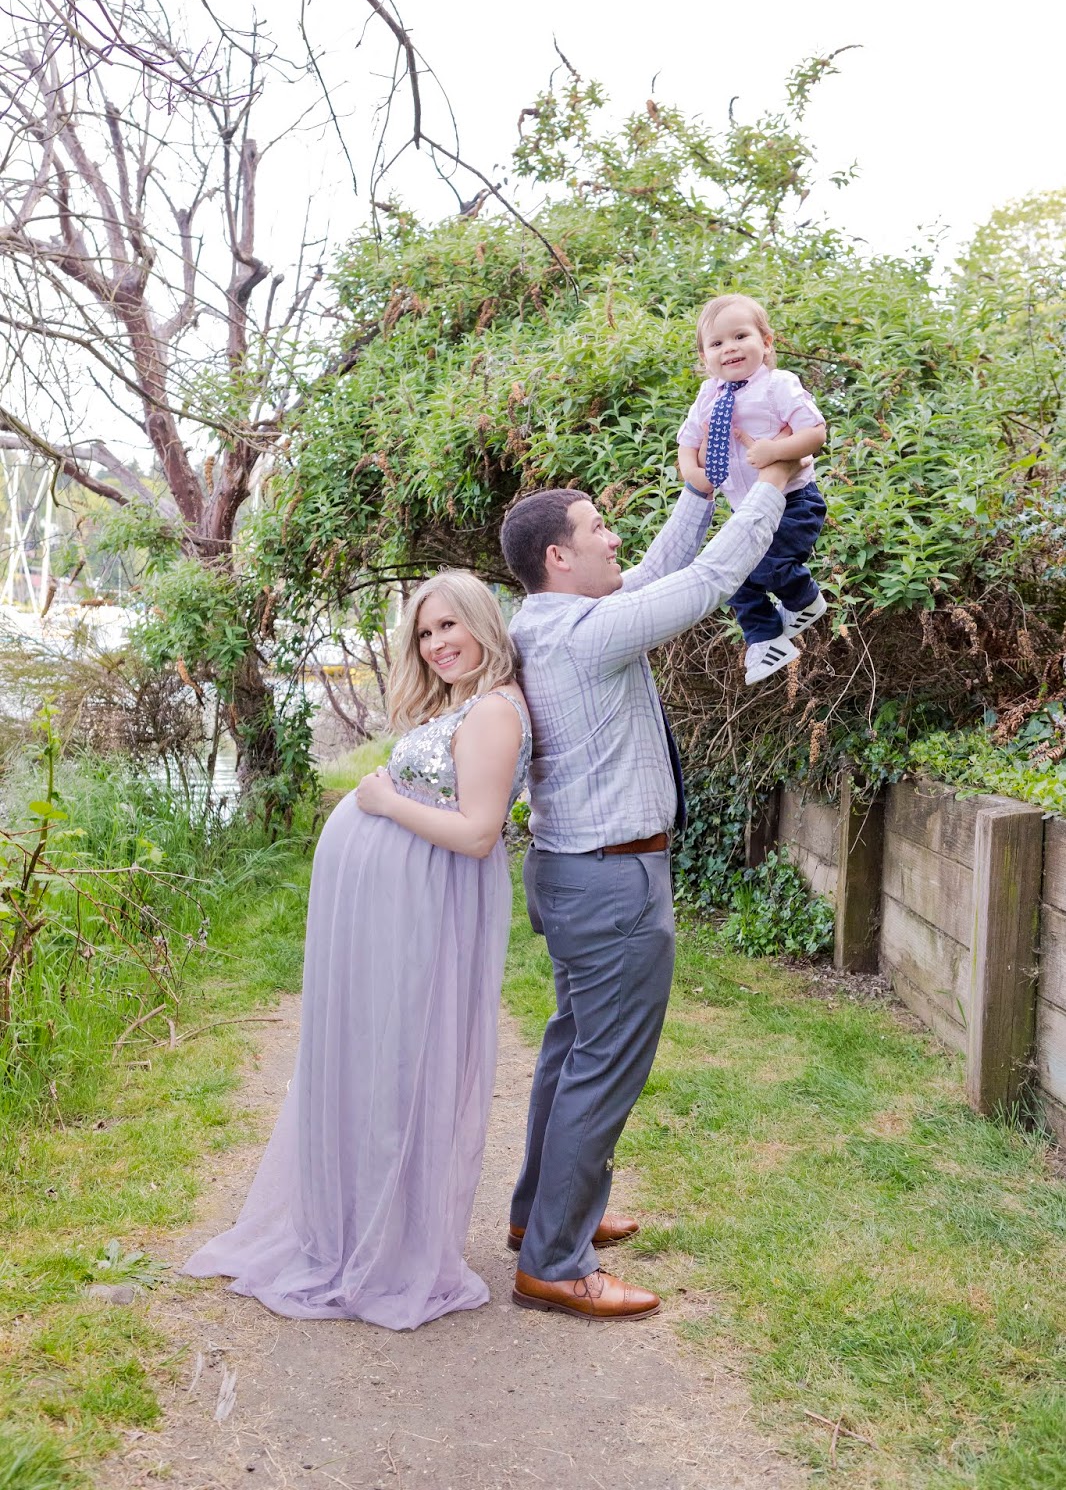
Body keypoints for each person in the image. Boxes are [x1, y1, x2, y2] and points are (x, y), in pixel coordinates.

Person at [183, 572, 531, 1330]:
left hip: (428, 908)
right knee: (372, 1058)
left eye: (449, 626)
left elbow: (479, 834)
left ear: (482, 621)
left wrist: (384, 802)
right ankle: (356, 1222)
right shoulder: (462, 705)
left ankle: (390, 1244)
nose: (436, 644)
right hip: (395, 907)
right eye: (425, 633)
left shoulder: (496, 711)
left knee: (405, 1059)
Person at [499, 454, 795, 1320]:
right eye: (597, 527)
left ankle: (541, 1216)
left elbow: (659, 573)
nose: (613, 536)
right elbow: (706, 583)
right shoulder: (587, 636)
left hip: (574, 872)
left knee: (571, 1053)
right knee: (602, 1068)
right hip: (613, 881)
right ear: (559, 556)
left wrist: (698, 492)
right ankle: (555, 1263)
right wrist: (773, 482)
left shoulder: (552, 622)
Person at [677, 293, 828, 684]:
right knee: (731, 575)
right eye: (716, 343)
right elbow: (687, 443)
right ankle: (765, 640)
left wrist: (774, 451)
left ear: (767, 341)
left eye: (740, 336)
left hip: (793, 501)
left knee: (770, 565)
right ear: (704, 356)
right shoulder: (707, 396)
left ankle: (804, 599)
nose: (729, 348)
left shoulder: (778, 385)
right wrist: (694, 473)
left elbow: (815, 432)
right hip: (744, 509)